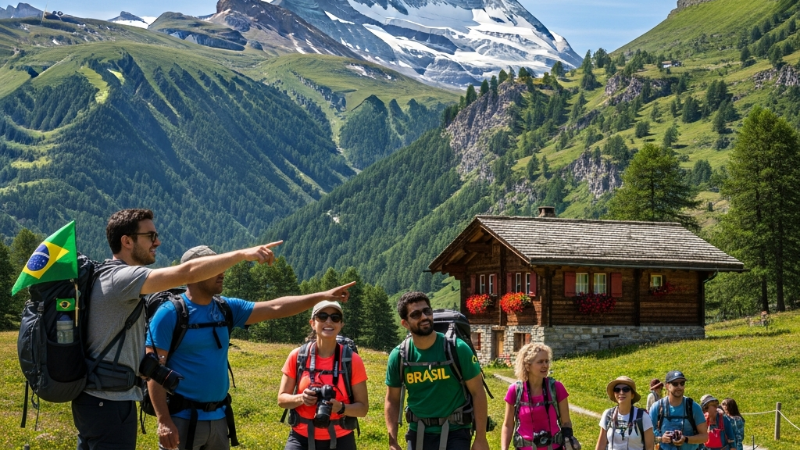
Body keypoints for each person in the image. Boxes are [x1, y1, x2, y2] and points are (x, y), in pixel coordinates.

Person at [72, 208, 287, 450]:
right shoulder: (122, 278)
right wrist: (242, 254)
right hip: (108, 402)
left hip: (97, 400)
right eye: (150, 236)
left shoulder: (107, 275)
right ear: (127, 241)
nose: (158, 242)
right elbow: (187, 272)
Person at [147, 246, 356, 450]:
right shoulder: (170, 314)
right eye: (213, 267)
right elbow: (153, 371)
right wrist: (164, 420)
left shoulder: (225, 308)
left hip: (219, 417)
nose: (222, 272)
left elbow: (276, 307)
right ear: (192, 273)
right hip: (181, 419)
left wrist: (323, 296)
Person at [384, 292, 489, 450]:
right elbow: (392, 399)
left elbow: (478, 392)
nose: (424, 317)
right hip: (418, 431)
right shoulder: (399, 356)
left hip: (456, 432)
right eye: (416, 314)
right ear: (405, 323)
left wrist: (481, 438)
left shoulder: (458, 348)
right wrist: (392, 441)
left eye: (427, 311)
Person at [278, 300, 369, 450]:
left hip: (341, 438)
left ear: (341, 325)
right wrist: (302, 398)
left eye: (335, 318)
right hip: (301, 438)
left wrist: (341, 408)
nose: (329, 321)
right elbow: (282, 400)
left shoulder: (352, 360)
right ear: (312, 323)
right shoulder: (298, 356)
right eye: (322, 316)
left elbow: (362, 408)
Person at [500, 343, 577, 450]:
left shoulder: (556, 388)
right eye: (540, 362)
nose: (545, 365)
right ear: (527, 365)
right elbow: (508, 424)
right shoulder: (515, 390)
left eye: (546, 361)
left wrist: (568, 441)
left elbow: (566, 422)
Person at [648, 370, 708, 450]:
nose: (679, 386)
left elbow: (704, 437)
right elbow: (647, 437)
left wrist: (685, 439)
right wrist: (662, 439)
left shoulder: (693, 407)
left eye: (682, 383)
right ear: (667, 386)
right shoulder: (657, 407)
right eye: (675, 384)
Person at [595, 376, 654, 450]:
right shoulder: (608, 414)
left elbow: (650, 447)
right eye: (617, 390)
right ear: (614, 394)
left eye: (626, 389)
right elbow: (601, 445)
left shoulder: (643, 416)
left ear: (632, 394)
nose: (621, 392)